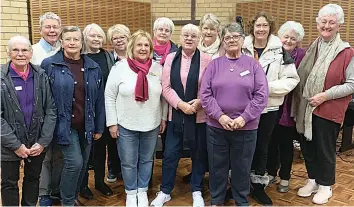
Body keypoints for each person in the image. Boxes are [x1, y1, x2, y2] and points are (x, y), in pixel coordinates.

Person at [199, 22, 268, 206]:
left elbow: (261, 95)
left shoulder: (253, 65)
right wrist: (220, 116)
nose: (231, 40)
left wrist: (243, 118)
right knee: (217, 166)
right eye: (227, 37)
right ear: (222, 41)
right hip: (216, 127)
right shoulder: (214, 65)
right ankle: (216, 199)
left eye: (235, 36)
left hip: (246, 128)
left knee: (242, 167)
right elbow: (205, 94)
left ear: (243, 40)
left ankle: (241, 200)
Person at [292, 4, 354, 205]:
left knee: (324, 150)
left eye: (331, 22)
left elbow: (351, 85)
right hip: (307, 108)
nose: (326, 26)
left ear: (339, 26)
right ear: (317, 23)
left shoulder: (347, 52)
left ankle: (326, 186)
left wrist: (324, 96)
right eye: (323, 22)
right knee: (308, 147)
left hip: (327, 109)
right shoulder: (314, 47)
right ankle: (312, 180)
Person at [40, 26, 105, 206]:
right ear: (62, 42)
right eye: (68, 39)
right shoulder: (50, 64)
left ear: (81, 42)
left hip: (87, 125)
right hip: (64, 125)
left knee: (83, 165)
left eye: (76, 39)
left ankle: (72, 196)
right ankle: (67, 201)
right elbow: (43, 97)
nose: (72, 43)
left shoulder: (93, 66)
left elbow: (99, 99)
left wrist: (99, 126)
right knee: (74, 163)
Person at [242, 11, 300, 205]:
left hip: (269, 108)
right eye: (257, 25)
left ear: (270, 28)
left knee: (262, 146)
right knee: (243, 146)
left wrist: (266, 88)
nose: (261, 29)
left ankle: (258, 186)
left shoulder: (279, 50)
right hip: (244, 107)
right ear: (252, 27)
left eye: (264, 26)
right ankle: (240, 186)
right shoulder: (242, 47)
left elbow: (292, 79)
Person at [150, 24, 212, 207]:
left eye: (194, 35)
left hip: (199, 115)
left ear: (199, 38)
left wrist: (200, 102)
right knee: (170, 154)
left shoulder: (207, 59)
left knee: (199, 154)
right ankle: (165, 191)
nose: (189, 38)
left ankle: (197, 190)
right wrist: (181, 105)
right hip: (176, 115)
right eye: (186, 34)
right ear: (180, 36)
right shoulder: (170, 58)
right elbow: (166, 87)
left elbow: (210, 87)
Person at [105, 30, 168, 207]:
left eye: (146, 45)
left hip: (152, 123)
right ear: (132, 47)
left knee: (148, 159)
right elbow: (109, 96)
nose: (143, 48)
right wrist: (112, 123)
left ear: (150, 48)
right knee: (128, 161)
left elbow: (163, 97)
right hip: (125, 124)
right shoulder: (119, 68)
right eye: (139, 45)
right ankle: (131, 193)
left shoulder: (157, 68)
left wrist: (163, 117)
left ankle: (142, 191)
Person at [1, 36, 57, 206]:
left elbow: (51, 110)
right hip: (8, 143)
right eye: (15, 50)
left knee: (33, 178)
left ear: (31, 53)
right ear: (8, 52)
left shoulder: (41, 75)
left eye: (24, 50)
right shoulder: (2, 78)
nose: (20, 54)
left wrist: (43, 142)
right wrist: (15, 145)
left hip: (36, 142)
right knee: (9, 183)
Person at [266, 21, 306, 193]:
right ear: (279, 37)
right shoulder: (273, 53)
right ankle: (271, 173)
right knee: (270, 143)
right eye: (286, 37)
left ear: (298, 41)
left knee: (286, 144)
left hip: (289, 107)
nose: (289, 41)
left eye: (293, 38)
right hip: (271, 105)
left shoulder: (302, 56)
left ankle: (285, 177)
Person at [78, 23, 115, 199]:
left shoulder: (108, 56)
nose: (96, 39)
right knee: (85, 150)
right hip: (83, 111)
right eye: (92, 35)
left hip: (105, 110)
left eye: (99, 36)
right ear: (85, 37)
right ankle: (83, 185)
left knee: (101, 149)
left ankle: (100, 182)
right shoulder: (80, 57)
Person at [31, 12, 63, 206]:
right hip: (40, 111)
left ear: (60, 29)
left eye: (55, 27)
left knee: (59, 153)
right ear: (41, 29)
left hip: (62, 111)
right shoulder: (32, 51)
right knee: (44, 154)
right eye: (48, 27)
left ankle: (57, 190)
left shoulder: (65, 49)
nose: (52, 30)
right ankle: (44, 194)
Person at [105, 24, 130, 183]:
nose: (119, 41)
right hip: (114, 104)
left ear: (128, 38)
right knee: (113, 139)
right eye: (115, 38)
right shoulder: (108, 58)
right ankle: (114, 168)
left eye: (122, 37)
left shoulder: (136, 56)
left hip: (131, 105)